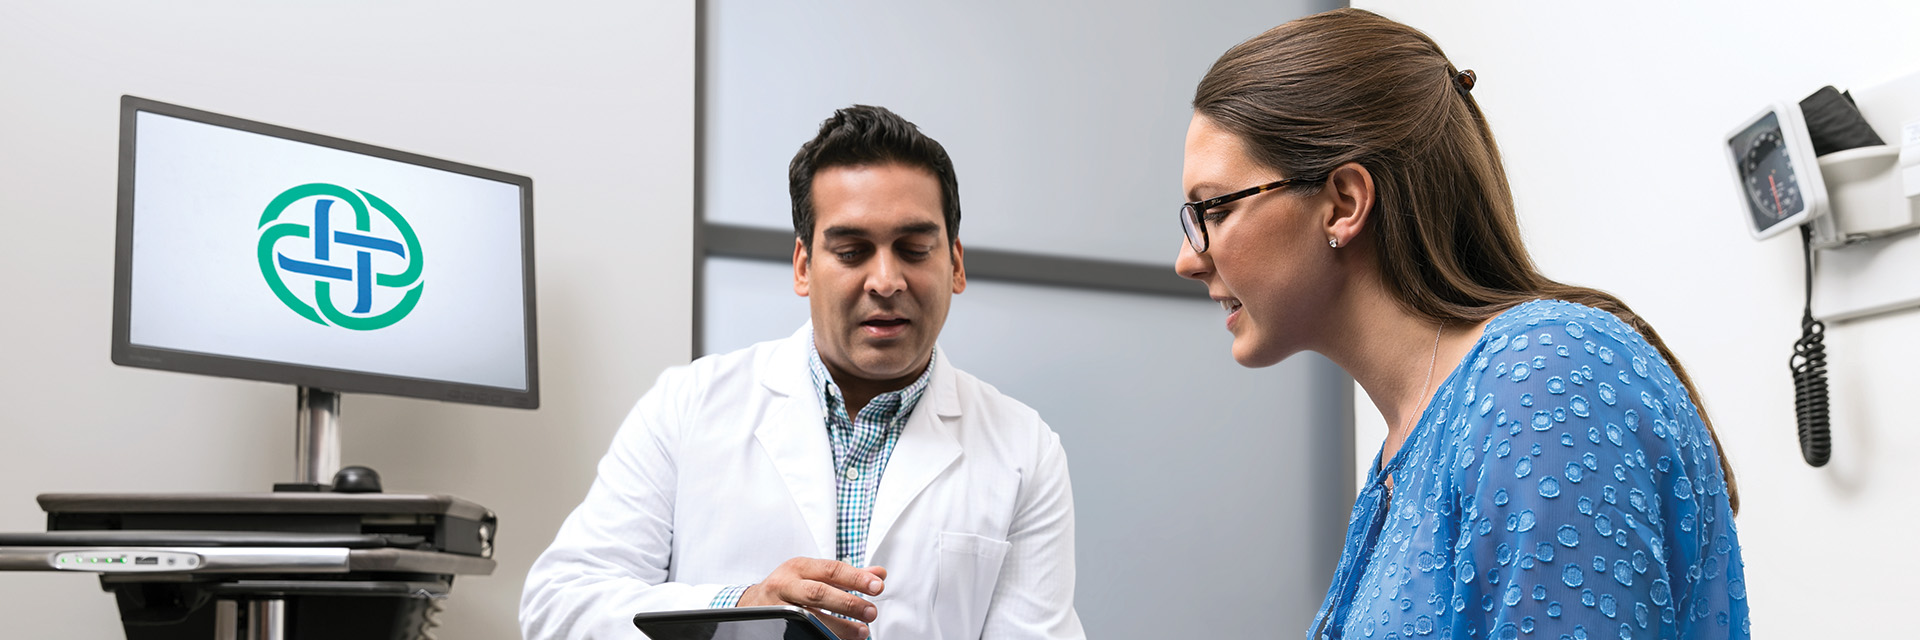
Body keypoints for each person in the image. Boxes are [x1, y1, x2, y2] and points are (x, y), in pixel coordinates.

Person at [1172, 9, 1747, 640]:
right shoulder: (1409, 451)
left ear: (1343, 203)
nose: (1187, 259)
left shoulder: (1543, 380)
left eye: (1212, 210)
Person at [521, 105, 1084, 640]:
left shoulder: (1024, 450)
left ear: (955, 264)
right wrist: (741, 608)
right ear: (803, 266)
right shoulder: (686, 405)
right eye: (852, 251)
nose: (886, 281)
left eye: (914, 249)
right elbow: (560, 606)